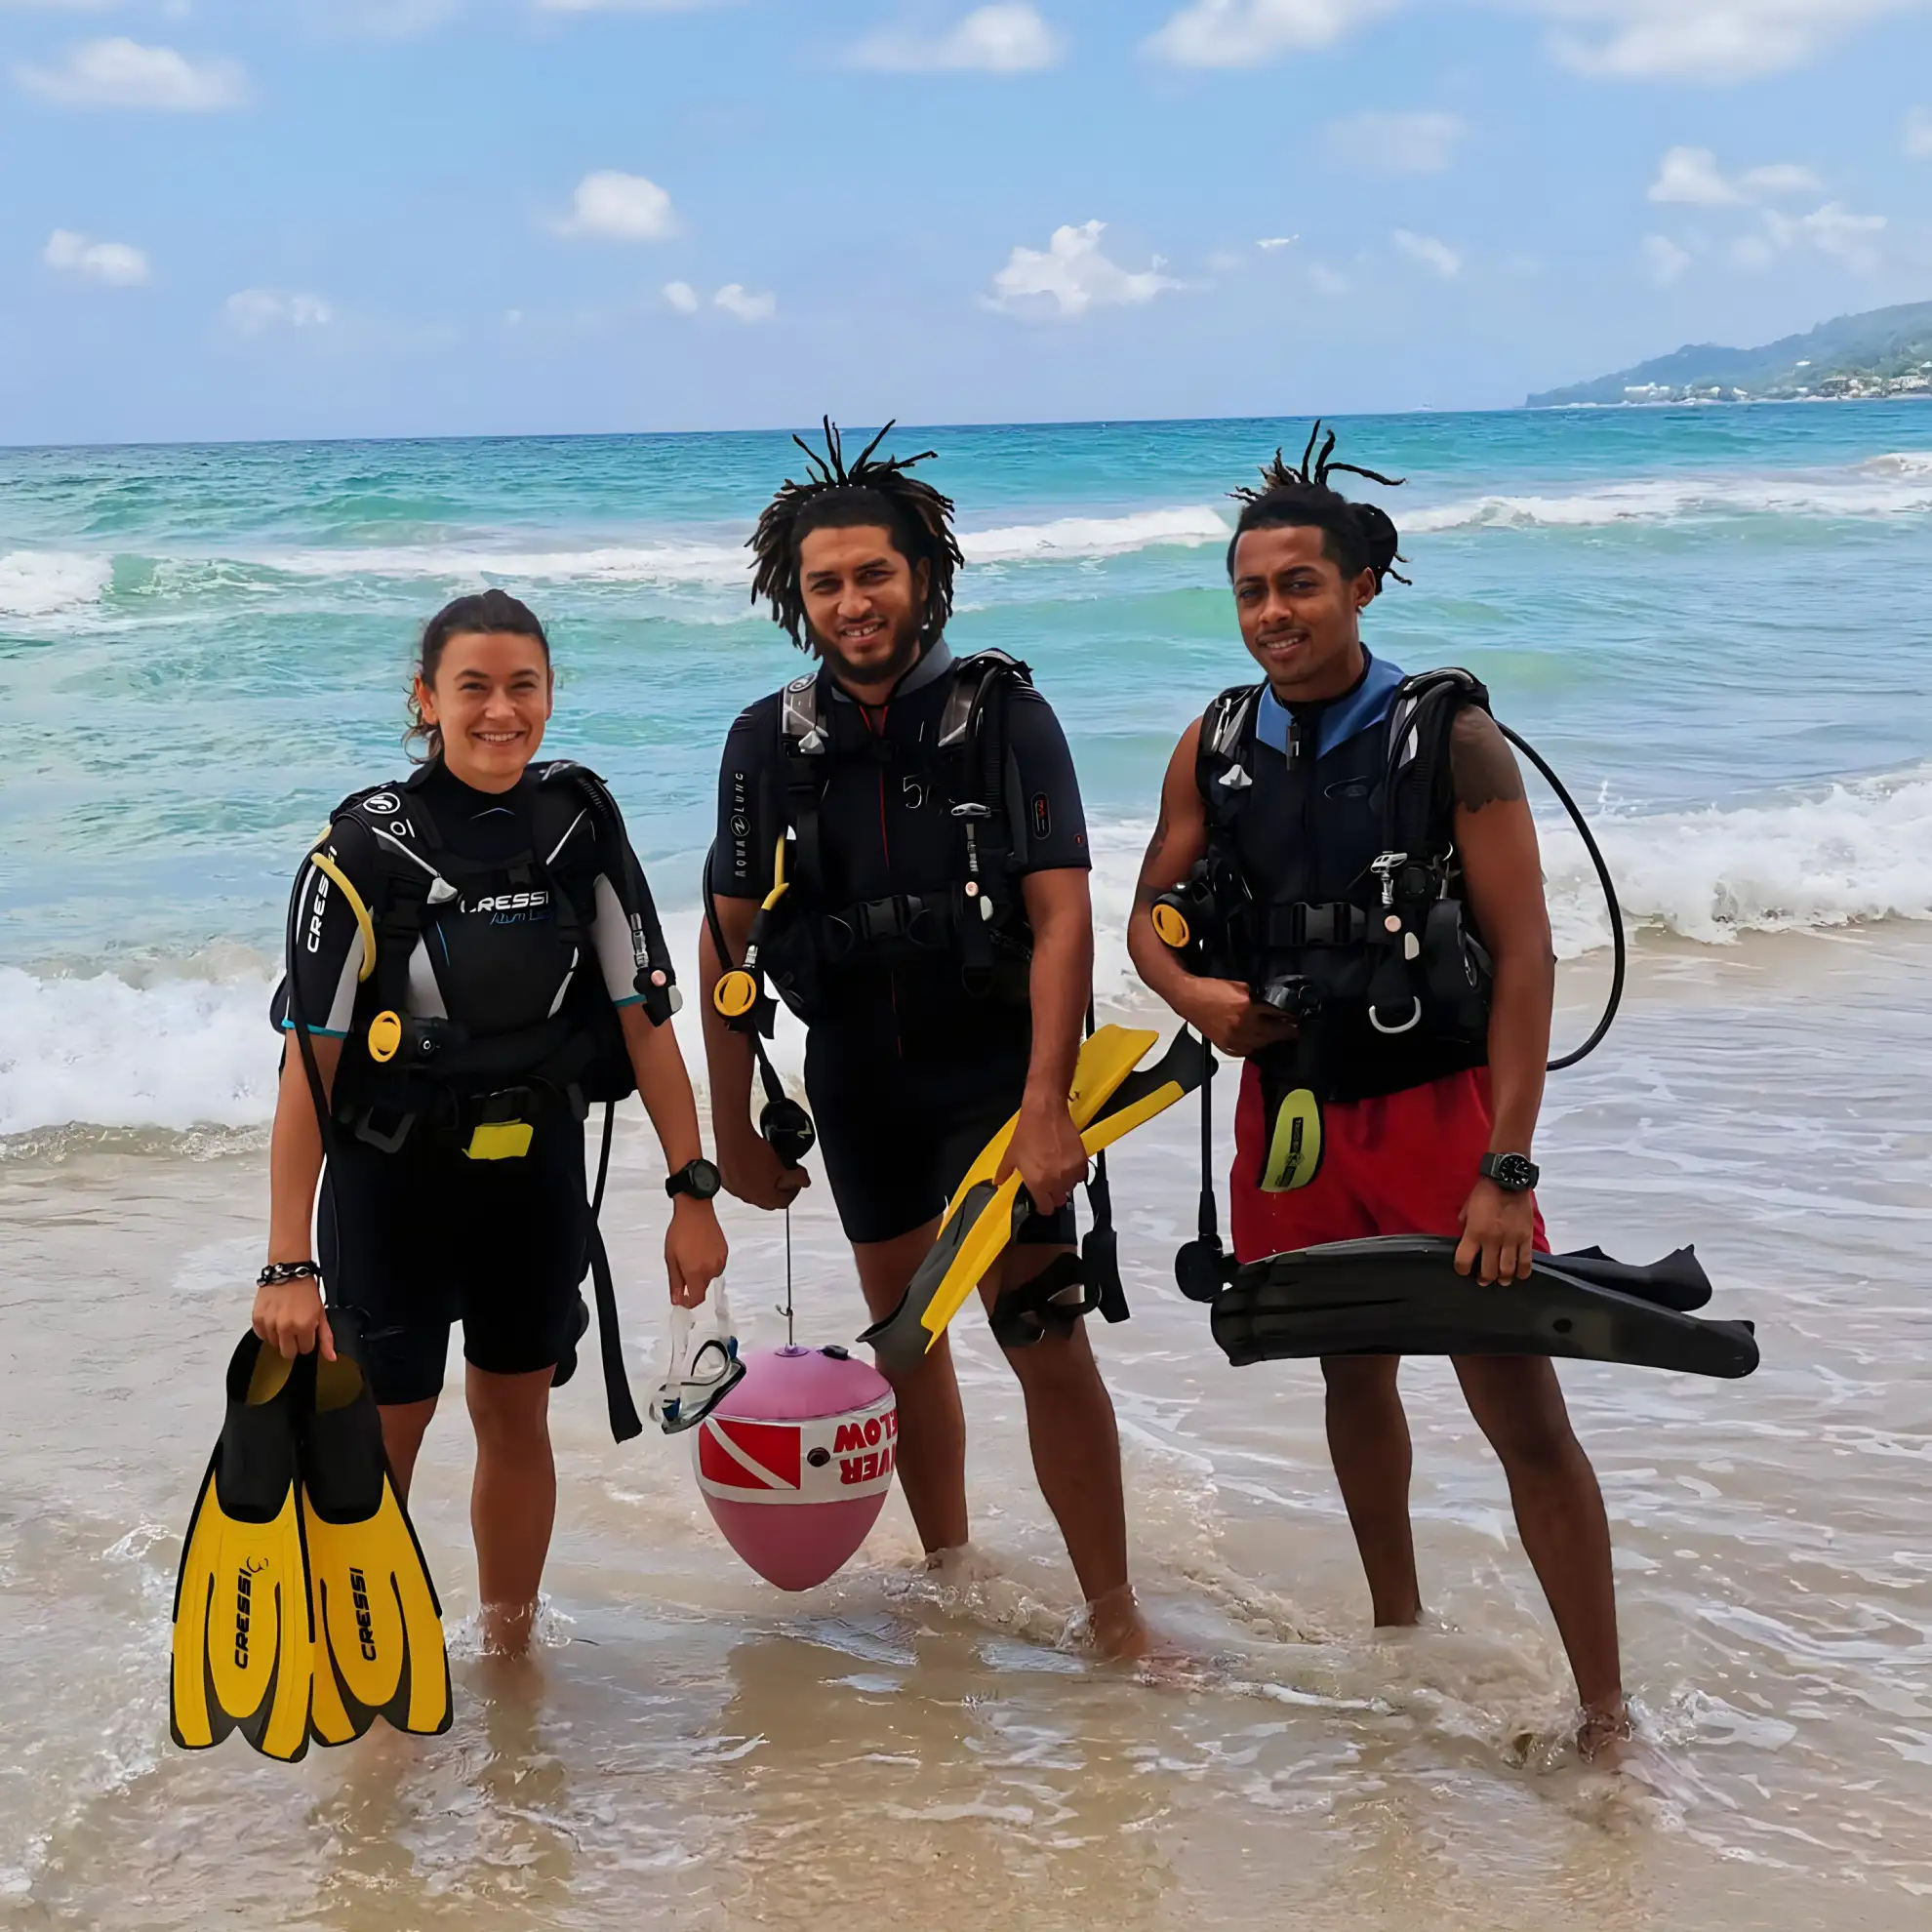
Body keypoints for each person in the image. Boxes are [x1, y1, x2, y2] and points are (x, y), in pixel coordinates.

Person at [1127, 431, 1630, 1756]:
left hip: (1439, 1107)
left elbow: (1525, 958)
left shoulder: (1446, 735)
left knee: (1517, 1401)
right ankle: (1397, 1635)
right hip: (1297, 1113)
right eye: (1251, 592)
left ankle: (1605, 1708)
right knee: (1354, 1373)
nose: (1273, 615)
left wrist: (1508, 1170)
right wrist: (1197, 1000)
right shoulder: (1215, 739)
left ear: (1361, 586)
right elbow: (1148, 917)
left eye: (1300, 585)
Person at [699, 422, 1153, 1656]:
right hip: (857, 1085)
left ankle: (1115, 1615)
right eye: (826, 583)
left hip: (999, 1083)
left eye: (874, 575)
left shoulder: (1007, 718)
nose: (853, 603)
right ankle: (952, 1578)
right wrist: (732, 1126)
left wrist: (1051, 1102)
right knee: (907, 1343)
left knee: (1042, 1337)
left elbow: (1064, 922)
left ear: (924, 578)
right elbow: (724, 939)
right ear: (797, 599)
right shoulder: (766, 745)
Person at [254, 587, 728, 1655]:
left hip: (534, 1185)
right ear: (426, 699)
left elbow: (647, 1026)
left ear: (550, 697)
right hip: (393, 1192)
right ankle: (363, 1671)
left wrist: (693, 1193)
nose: (500, 711)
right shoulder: (360, 854)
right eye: (473, 688)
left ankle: (510, 1650)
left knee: (515, 1422)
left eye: (523, 687)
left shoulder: (579, 829)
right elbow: (308, 1076)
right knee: (386, 1434)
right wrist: (287, 1262)